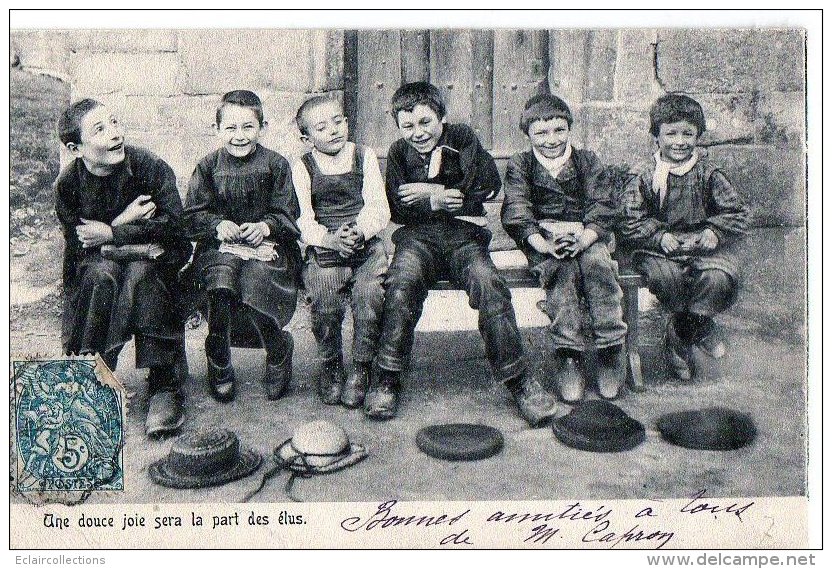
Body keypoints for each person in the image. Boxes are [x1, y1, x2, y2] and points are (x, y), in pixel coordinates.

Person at [368, 81, 558, 427]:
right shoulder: (398, 152)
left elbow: (486, 185)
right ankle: (387, 377)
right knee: (400, 284)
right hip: (417, 239)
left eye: (426, 122)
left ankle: (520, 382)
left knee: (490, 285)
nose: (418, 133)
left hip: (464, 237)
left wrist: (432, 192)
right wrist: (446, 199)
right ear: (397, 126)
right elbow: (398, 207)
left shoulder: (463, 137)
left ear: (441, 116)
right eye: (408, 126)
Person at [55, 98, 190, 437]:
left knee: (143, 275)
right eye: (100, 130)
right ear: (76, 148)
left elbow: (174, 225)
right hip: (106, 262)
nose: (115, 135)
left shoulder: (149, 166)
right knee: (100, 275)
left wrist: (112, 232)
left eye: (115, 123)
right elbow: (81, 245)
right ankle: (97, 373)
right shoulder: (68, 185)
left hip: (158, 257)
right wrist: (124, 220)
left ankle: (163, 382)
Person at [501, 94, 628, 401]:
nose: (551, 140)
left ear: (569, 128)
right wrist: (542, 245)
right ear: (528, 134)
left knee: (597, 265)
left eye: (559, 130)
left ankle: (610, 347)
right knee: (561, 271)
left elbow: (602, 204)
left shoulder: (587, 161)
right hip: (545, 241)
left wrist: (584, 238)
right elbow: (518, 208)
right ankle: (568, 353)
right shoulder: (522, 165)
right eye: (541, 133)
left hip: (587, 236)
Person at [620, 93, 749, 380]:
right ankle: (696, 331)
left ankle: (681, 332)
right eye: (671, 133)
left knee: (720, 278)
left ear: (698, 136)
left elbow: (737, 213)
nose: (680, 142)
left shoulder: (708, 173)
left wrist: (714, 232)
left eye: (688, 134)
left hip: (701, 248)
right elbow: (629, 217)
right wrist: (657, 235)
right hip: (658, 250)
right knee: (668, 278)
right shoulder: (644, 174)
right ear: (657, 136)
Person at [184, 90, 301, 402]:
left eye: (248, 127)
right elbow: (193, 214)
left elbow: (288, 212)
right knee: (220, 280)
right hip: (219, 249)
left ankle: (277, 348)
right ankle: (218, 355)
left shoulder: (276, 165)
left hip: (268, 248)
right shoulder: (207, 167)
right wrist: (216, 224)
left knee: (255, 279)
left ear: (262, 126)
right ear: (217, 129)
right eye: (231, 128)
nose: (239, 136)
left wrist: (265, 226)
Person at [291, 95, 390, 408]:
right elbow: (303, 218)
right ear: (307, 138)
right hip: (326, 246)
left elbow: (378, 206)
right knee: (324, 298)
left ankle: (361, 367)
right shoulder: (303, 167)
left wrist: (359, 230)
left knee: (370, 295)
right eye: (322, 127)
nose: (333, 130)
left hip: (364, 243)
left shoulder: (364, 156)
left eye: (338, 121)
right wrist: (330, 239)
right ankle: (331, 365)